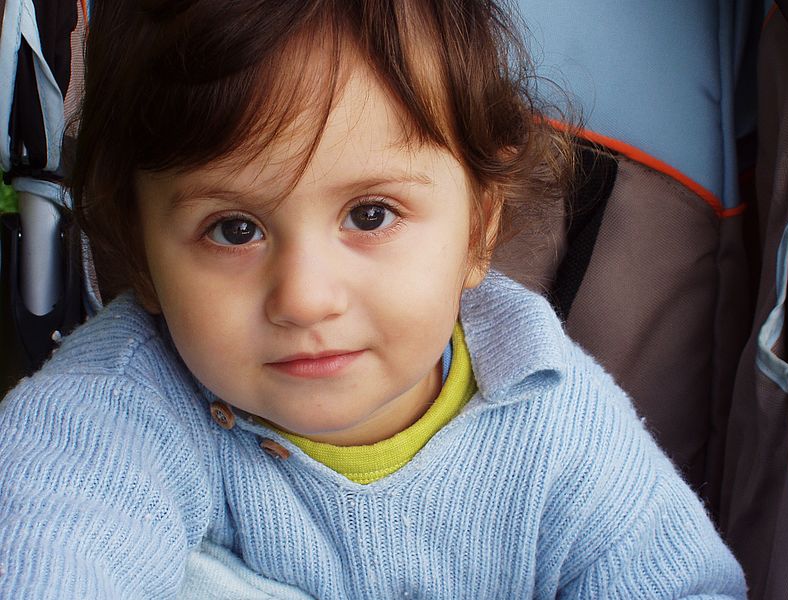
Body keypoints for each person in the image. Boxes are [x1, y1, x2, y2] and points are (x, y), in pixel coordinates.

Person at [0, 1, 747, 597]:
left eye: (369, 215)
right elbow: (51, 539)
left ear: (479, 227)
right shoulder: (117, 416)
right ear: (142, 251)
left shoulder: (554, 419)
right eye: (234, 229)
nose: (305, 298)